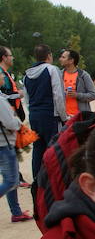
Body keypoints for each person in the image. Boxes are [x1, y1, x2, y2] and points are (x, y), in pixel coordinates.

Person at [23, 44, 66, 179]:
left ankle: (37, 180)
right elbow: (58, 95)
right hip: (50, 115)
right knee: (54, 149)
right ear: (49, 56)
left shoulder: (27, 74)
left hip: (35, 114)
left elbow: (27, 99)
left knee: (38, 148)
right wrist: (63, 117)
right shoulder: (52, 70)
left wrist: (33, 111)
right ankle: (53, 181)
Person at [0, 92, 31, 221]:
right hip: (4, 144)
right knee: (11, 181)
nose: (2, 75)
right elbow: (10, 123)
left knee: (12, 179)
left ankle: (16, 212)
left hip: (4, 143)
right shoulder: (0, 101)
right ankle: (16, 212)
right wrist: (19, 123)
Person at [58, 48, 95, 117]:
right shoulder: (59, 75)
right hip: (63, 117)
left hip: (80, 117)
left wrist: (77, 95)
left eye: (63, 57)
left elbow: (93, 95)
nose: (60, 59)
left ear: (71, 60)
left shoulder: (83, 75)